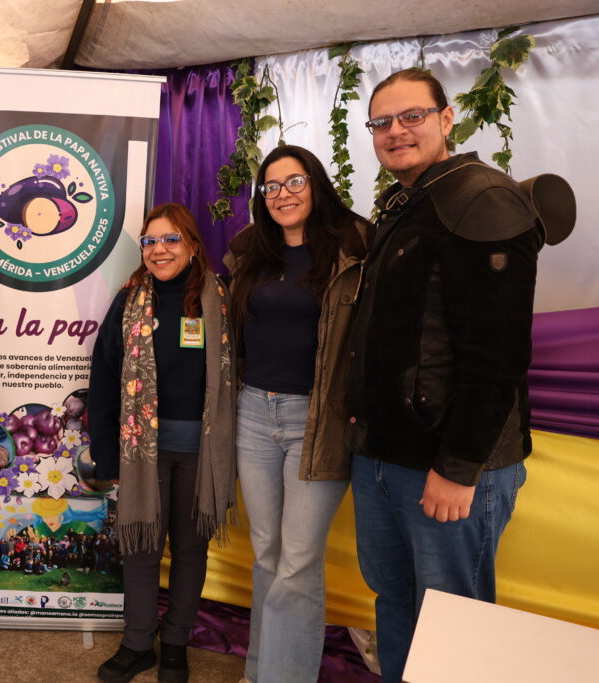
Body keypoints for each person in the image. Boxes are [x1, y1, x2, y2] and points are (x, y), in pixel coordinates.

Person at [348, 68, 542, 682]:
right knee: (395, 602)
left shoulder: (482, 199)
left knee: (452, 625)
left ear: (446, 118)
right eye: (382, 122)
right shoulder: (408, 202)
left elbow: (499, 355)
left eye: (412, 116)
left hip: (449, 467)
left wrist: (458, 468)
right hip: (384, 457)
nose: (396, 131)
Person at [226, 145, 372, 683]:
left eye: (295, 182)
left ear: (316, 184)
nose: (282, 194)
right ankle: (260, 672)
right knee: (267, 553)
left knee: (297, 561)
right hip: (253, 413)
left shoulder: (355, 248)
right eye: (271, 186)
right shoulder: (250, 251)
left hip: (318, 419)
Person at [89, 203, 236, 683]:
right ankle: (137, 645)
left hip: (202, 454)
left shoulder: (222, 299)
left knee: (191, 551)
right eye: (150, 241)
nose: (159, 250)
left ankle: (175, 644)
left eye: (171, 239)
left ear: (192, 245)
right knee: (141, 550)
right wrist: (107, 454)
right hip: (141, 454)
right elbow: (103, 378)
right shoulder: (128, 302)